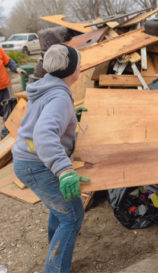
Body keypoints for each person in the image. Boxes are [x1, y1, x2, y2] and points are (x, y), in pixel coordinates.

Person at [12, 44, 90, 273]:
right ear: (71, 70)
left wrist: (68, 119)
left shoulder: (48, 87)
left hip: (28, 159)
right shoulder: (59, 98)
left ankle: (55, 250)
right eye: (79, 64)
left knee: (62, 210)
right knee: (73, 217)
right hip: (37, 165)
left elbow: (41, 119)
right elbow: (44, 134)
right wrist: (64, 170)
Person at [0, 46, 27, 138]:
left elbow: (8, 61)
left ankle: (8, 135)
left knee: (8, 111)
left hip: (3, 87)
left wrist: (16, 68)